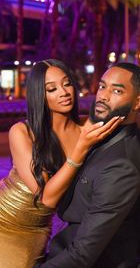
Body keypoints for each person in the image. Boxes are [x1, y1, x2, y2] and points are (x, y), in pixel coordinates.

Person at [0, 59, 123, 268]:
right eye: (52, 89)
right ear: (40, 95)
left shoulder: (87, 127)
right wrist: (81, 148)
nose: (63, 92)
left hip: (37, 227)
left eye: (67, 84)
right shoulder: (22, 132)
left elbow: (123, 115)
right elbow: (47, 198)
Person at [37, 62, 140, 268]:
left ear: (137, 103)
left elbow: (83, 254)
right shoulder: (100, 137)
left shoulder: (121, 166)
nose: (103, 96)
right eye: (102, 86)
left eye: (117, 90)